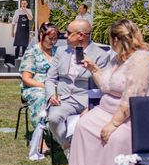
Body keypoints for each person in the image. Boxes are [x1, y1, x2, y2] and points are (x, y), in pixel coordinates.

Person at [68, 19, 149, 165]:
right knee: (83, 125)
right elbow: (106, 84)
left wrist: (113, 124)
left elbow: (133, 96)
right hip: (106, 109)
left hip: (134, 117)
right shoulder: (117, 58)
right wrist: (94, 68)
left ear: (117, 40)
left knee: (116, 137)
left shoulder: (143, 58)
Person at [44, 19, 111, 157]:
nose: (65, 36)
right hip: (64, 98)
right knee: (53, 118)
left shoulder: (101, 56)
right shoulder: (62, 51)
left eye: (69, 33)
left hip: (87, 99)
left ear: (81, 35)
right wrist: (51, 95)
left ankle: (82, 154)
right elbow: (50, 78)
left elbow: (104, 86)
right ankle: (67, 146)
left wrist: (92, 106)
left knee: (89, 124)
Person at [19, 22, 59, 144]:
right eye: (50, 39)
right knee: (42, 98)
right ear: (41, 35)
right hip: (34, 87)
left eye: (55, 39)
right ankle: (39, 138)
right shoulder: (32, 52)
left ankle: (62, 135)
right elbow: (26, 79)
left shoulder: (58, 52)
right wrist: (46, 87)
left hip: (55, 86)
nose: (52, 42)